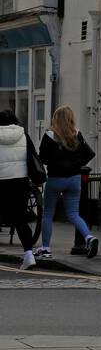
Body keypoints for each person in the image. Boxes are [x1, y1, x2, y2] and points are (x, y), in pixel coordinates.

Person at [37, 106, 98, 260]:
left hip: (56, 178)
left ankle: (45, 248)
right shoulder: (77, 134)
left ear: (56, 118)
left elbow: (42, 158)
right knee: (73, 214)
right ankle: (89, 237)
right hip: (75, 179)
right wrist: (75, 164)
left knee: (48, 213)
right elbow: (89, 154)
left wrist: (56, 162)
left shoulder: (50, 135)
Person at [0, 109, 43, 270]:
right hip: (20, 181)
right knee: (20, 219)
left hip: (1, 181)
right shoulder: (23, 134)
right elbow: (31, 155)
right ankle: (28, 255)